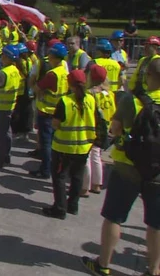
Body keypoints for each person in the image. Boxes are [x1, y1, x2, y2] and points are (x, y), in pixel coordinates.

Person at [81, 58, 160, 276]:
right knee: (156, 224)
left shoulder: (131, 101)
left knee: (114, 217)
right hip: (158, 172)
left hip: (128, 167)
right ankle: (154, 270)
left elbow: (115, 130)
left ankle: (103, 264)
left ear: (148, 76)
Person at [42, 69, 96, 219]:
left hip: (64, 146)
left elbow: (55, 124)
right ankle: (73, 205)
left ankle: (59, 208)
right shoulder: (90, 99)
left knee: (59, 177)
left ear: (69, 83)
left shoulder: (65, 101)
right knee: (77, 176)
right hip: (84, 146)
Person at [31, 43, 70, 178]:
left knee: (46, 143)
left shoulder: (52, 74)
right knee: (54, 143)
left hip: (46, 111)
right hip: (58, 111)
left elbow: (37, 88)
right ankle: (53, 167)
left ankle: (45, 170)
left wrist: (37, 88)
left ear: (53, 56)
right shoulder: (65, 71)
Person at [81, 64, 115, 198]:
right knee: (97, 156)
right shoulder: (109, 94)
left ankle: (84, 188)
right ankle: (96, 184)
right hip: (105, 128)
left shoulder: (89, 93)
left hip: (91, 128)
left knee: (86, 157)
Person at [0, 45, 21, 169]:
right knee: (7, 133)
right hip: (10, 105)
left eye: (3, 55)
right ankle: (6, 155)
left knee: (0, 135)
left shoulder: (4, 73)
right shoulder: (15, 70)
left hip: (1, 107)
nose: (2, 57)